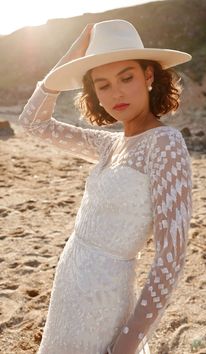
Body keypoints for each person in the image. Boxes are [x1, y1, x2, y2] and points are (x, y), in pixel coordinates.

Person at [18, 19, 193, 354]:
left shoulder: (165, 145)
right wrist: (71, 58)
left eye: (127, 77)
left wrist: (129, 340)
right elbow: (33, 122)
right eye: (103, 84)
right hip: (69, 282)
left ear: (149, 76)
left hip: (105, 298)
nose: (118, 93)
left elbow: (171, 258)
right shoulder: (109, 144)